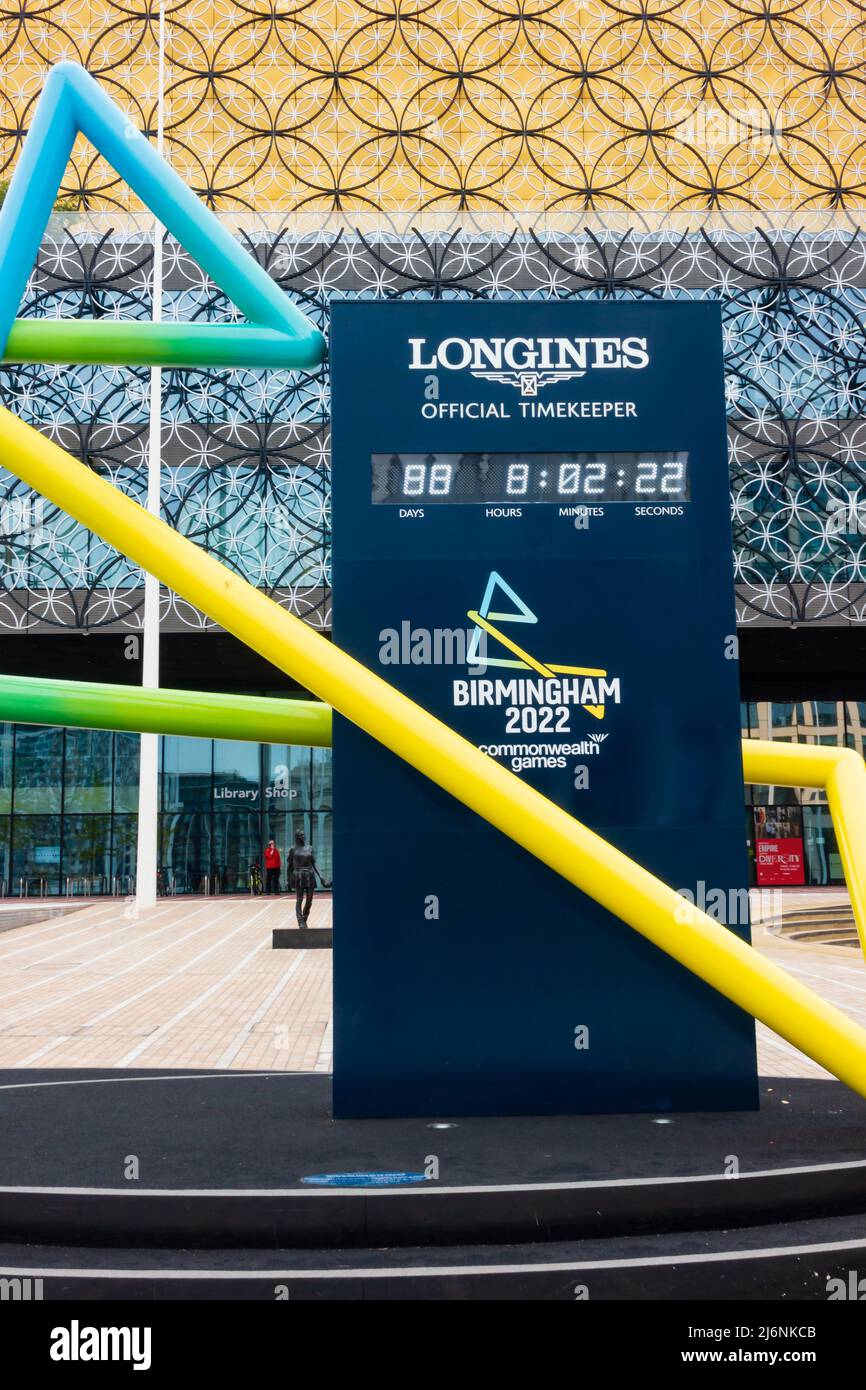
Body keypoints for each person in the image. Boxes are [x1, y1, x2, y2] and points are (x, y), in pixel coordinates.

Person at [286, 828, 324, 928]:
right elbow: (289, 866)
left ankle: (304, 918)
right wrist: (288, 880)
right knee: (299, 899)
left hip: (309, 874)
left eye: (303, 835)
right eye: (301, 835)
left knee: (309, 900)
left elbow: (314, 863)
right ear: (297, 837)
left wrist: (321, 876)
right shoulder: (293, 850)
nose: (303, 837)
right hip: (298, 875)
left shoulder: (310, 848)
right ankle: (300, 921)